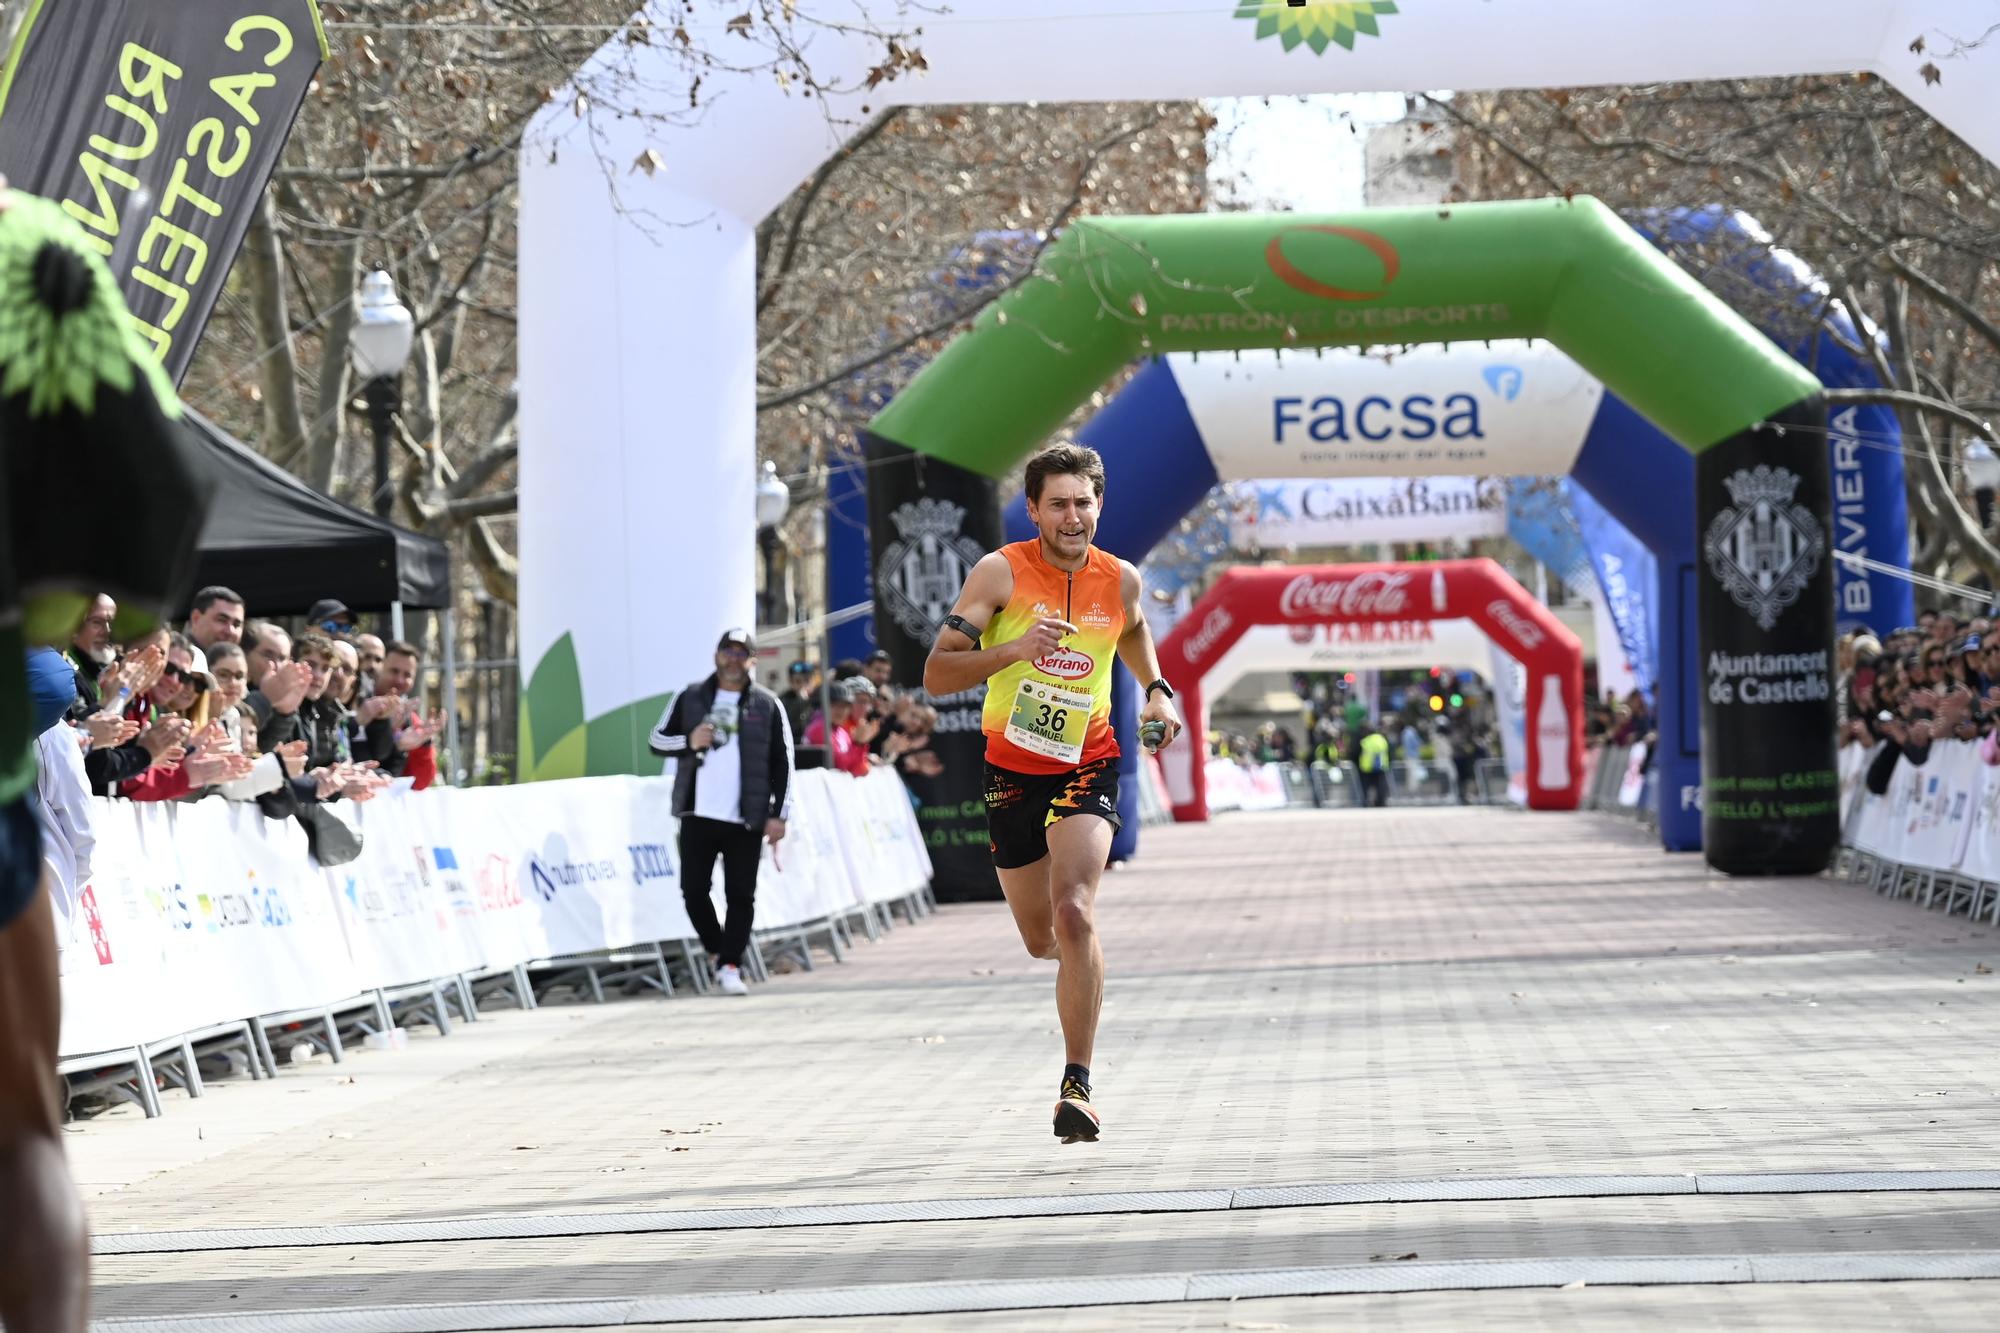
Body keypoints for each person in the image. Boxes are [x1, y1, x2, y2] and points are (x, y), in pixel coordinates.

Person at [923, 442, 1182, 1142]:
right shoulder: (1000, 572)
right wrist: (1013, 649)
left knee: (1075, 913)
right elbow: (937, 675)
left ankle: (1078, 1083)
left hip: (1086, 762)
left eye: (1084, 502)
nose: (1073, 516)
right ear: (1033, 508)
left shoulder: (1119, 579)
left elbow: (1132, 629)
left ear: (1100, 505)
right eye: (1058, 503)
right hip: (1011, 771)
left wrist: (1156, 691)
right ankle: (1071, 966)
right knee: (1042, 937)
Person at [648, 628, 793, 997]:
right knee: (693, 891)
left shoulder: (767, 703)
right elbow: (656, 740)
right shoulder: (691, 695)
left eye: (741, 652)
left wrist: (780, 814)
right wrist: (689, 741)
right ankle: (717, 950)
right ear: (716, 656)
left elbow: (783, 762)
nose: (733, 658)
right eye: (727, 650)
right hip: (697, 812)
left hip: (747, 816)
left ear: (752, 661)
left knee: (741, 895)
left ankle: (732, 965)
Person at [780, 660, 818, 746]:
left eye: (807, 680)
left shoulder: (819, 698)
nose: (803, 685)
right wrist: (801, 702)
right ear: (790, 681)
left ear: (813, 680)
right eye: (798, 681)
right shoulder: (784, 700)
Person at [1355, 722, 1391, 807]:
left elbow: (1357, 753)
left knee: (1366, 787)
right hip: (1381, 767)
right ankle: (1381, 802)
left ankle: (1365, 802)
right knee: (1380, 786)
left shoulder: (1365, 741)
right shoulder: (1382, 739)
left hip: (1367, 768)